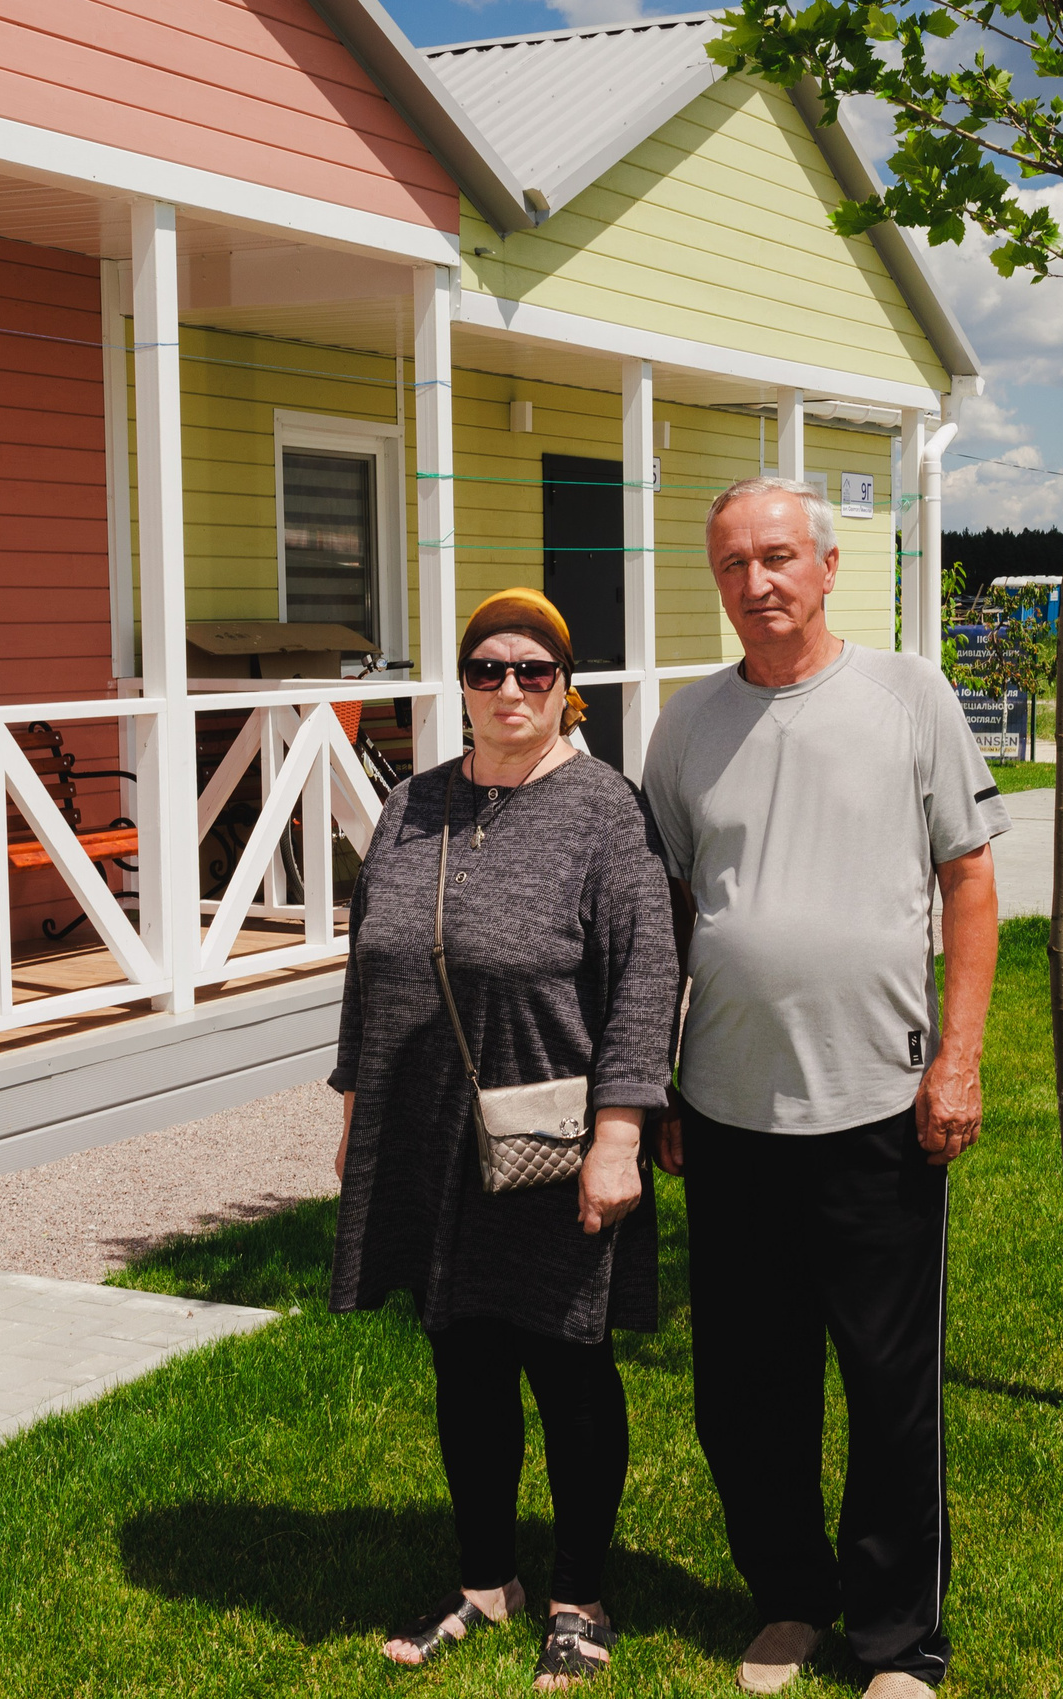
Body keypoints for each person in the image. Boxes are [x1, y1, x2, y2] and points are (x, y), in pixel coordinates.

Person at [643, 479, 1008, 1699]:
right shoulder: (685, 727)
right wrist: (661, 1086)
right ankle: (790, 1600)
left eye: (780, 557)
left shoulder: (908, 696)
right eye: (735, 563)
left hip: (878, 1108)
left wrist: (955, 1061)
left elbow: (968, 883)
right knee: (746, 1390)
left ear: (829, 566)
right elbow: (672, 917)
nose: (758, 583)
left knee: (890, 1391)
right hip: (730, 1111)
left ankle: (900, 1639)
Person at [329, 587, 682, 1690]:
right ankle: (486, 1578)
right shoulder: (414, 804)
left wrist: (619, 1132)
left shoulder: (603, 810)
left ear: (565, 688)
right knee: (462, 1351)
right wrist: (354, 1113)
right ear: (463, 684)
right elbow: (370, 964)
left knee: (565, 1362)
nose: (510, 688)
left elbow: (645, 979)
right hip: (426, 1126)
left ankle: (579, 1594)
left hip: (551, 1132)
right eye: (488, 668)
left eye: (535, 670)